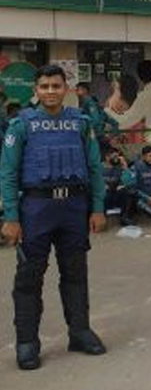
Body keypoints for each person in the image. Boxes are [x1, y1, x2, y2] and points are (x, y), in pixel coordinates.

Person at [1, 65, 107, 370]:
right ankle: (27, 342)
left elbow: (95, 168)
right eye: (44, 86)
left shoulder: (80, 123)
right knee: (29, 279)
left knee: (75, 273)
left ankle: (80, 332)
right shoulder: (21, 125)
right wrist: (11, 216)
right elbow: (7, 173)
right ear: (36, 90)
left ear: (66, 89)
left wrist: (98, 208)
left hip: (74, 208)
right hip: (36, 210)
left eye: (56, 86)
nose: (50, 91)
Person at [76, 81, 118, 147]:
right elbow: (115, 123)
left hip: (93, 138)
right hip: (98, 138)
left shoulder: (89, 102)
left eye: (78, 90)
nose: (77, 92)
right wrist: (111, 137)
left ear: (85, 90)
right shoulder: (90, 105)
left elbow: (95, 120)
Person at [102, 147, 135, 226]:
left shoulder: (119, 167)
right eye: (114, 157)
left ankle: (124, 218)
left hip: (116, 195)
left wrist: (125, 167)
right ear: (107, 157)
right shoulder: (99, 168)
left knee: (130, 191)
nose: (116, 159)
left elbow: (131, 181)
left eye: (118, 157)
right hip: (104, 197)